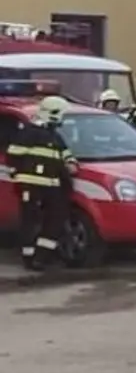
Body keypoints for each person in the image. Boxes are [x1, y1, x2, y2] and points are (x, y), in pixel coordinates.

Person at [13, 96, 75, 271]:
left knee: (56, 217)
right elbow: (14, 156)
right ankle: (29, 258)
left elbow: (66, 154)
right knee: (30, 221)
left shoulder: (54, 136)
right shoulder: (29, 133)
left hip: (52, 186)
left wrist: (71, 164)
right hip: (31, 186)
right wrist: (21, 177)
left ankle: (42, 255)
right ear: (53, 114)